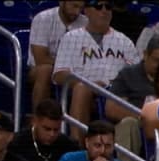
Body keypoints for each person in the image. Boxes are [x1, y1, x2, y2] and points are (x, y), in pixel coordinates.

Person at [52, 0, 137, 139]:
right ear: (87, 11)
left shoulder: (124, 41)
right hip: (86, 92)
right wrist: (89, 84)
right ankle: (77, 149)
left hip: (117, 94)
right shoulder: (72, 38)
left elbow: (135, 74)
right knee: (81, 89)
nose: (104, 10)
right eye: (98, 6)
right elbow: (59, 74)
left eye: (108, 6)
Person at [27, 1, 88, 111]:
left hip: (74, 71)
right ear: (61, 2)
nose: (77, 12)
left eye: (81, 8)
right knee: (45, 70)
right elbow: (40, 58)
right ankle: (39, 119)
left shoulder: (85, 23)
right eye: (74, 6)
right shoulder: (42, 19)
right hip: (38, 69)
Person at [8, 99, 79, 161]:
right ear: (34, 121)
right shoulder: (17, 144)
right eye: (47, 129)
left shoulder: (68, 146)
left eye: (56, 130)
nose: (52, 134)